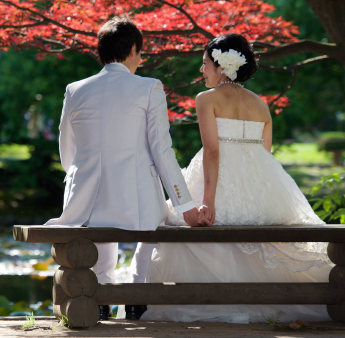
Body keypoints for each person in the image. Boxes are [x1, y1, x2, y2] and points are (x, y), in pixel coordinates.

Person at [138, 33, 334, 324]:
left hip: (216, 183)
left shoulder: (206, 99)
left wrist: (208, 201)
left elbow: (213, 152)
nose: (201, 70)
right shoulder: (261, 105)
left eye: (205, 64)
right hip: (263, 184)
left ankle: (216, 304)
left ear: (221, 66)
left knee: (180, 220)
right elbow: (264, 155)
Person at [44, 16, 210, 322]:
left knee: (98, 228)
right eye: (140, 51)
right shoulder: (149, 87)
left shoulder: (75, 89)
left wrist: (86, 174)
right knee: (159, 224)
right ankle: (136, 296)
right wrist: (183, 204)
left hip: (85, 199)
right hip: (137, 200)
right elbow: (161, 150)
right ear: (133, 49)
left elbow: (67, 154)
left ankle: (102, 296)